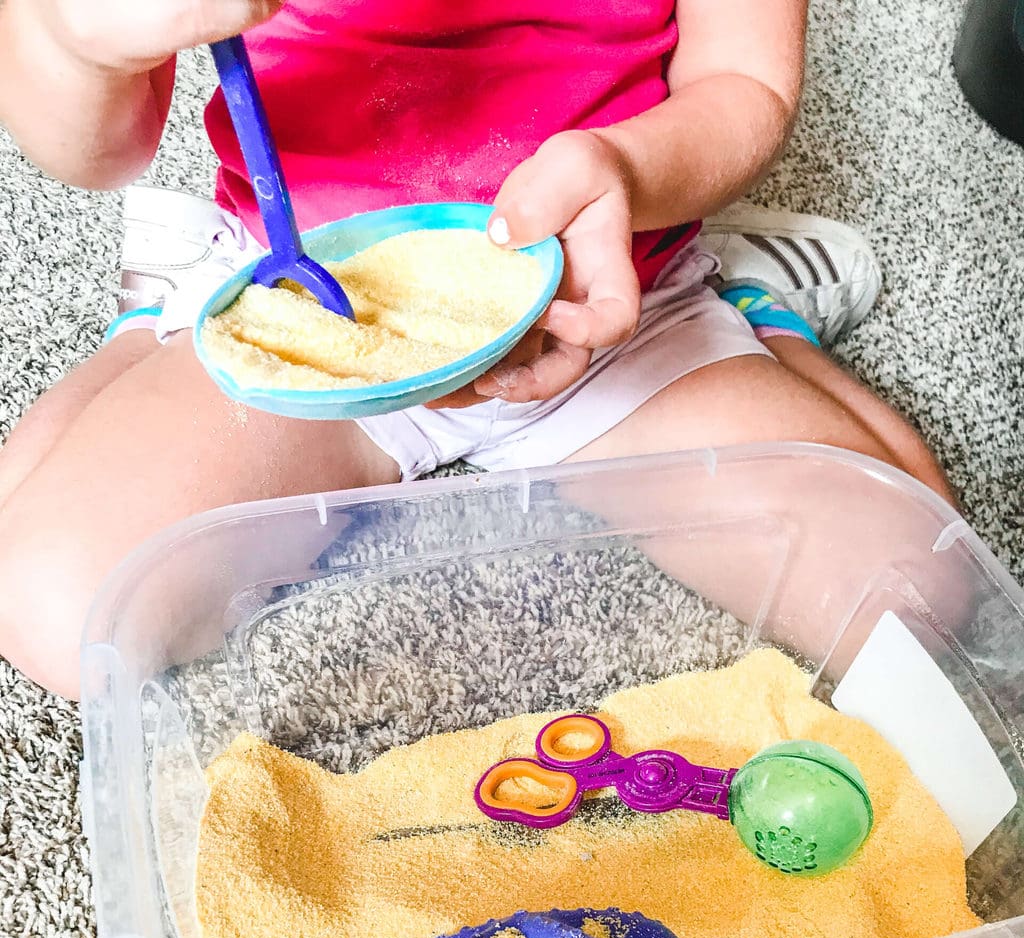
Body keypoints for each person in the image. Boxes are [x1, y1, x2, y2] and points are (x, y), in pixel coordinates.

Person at [0, 0, 955, 698]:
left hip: (612, 293)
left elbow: (742, 85)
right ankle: (167, 309)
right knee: (58, 614)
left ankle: (761, 306)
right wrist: (70, 39)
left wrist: (631, 169)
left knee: (925, 601)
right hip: (307, 297)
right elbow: (97, 149)